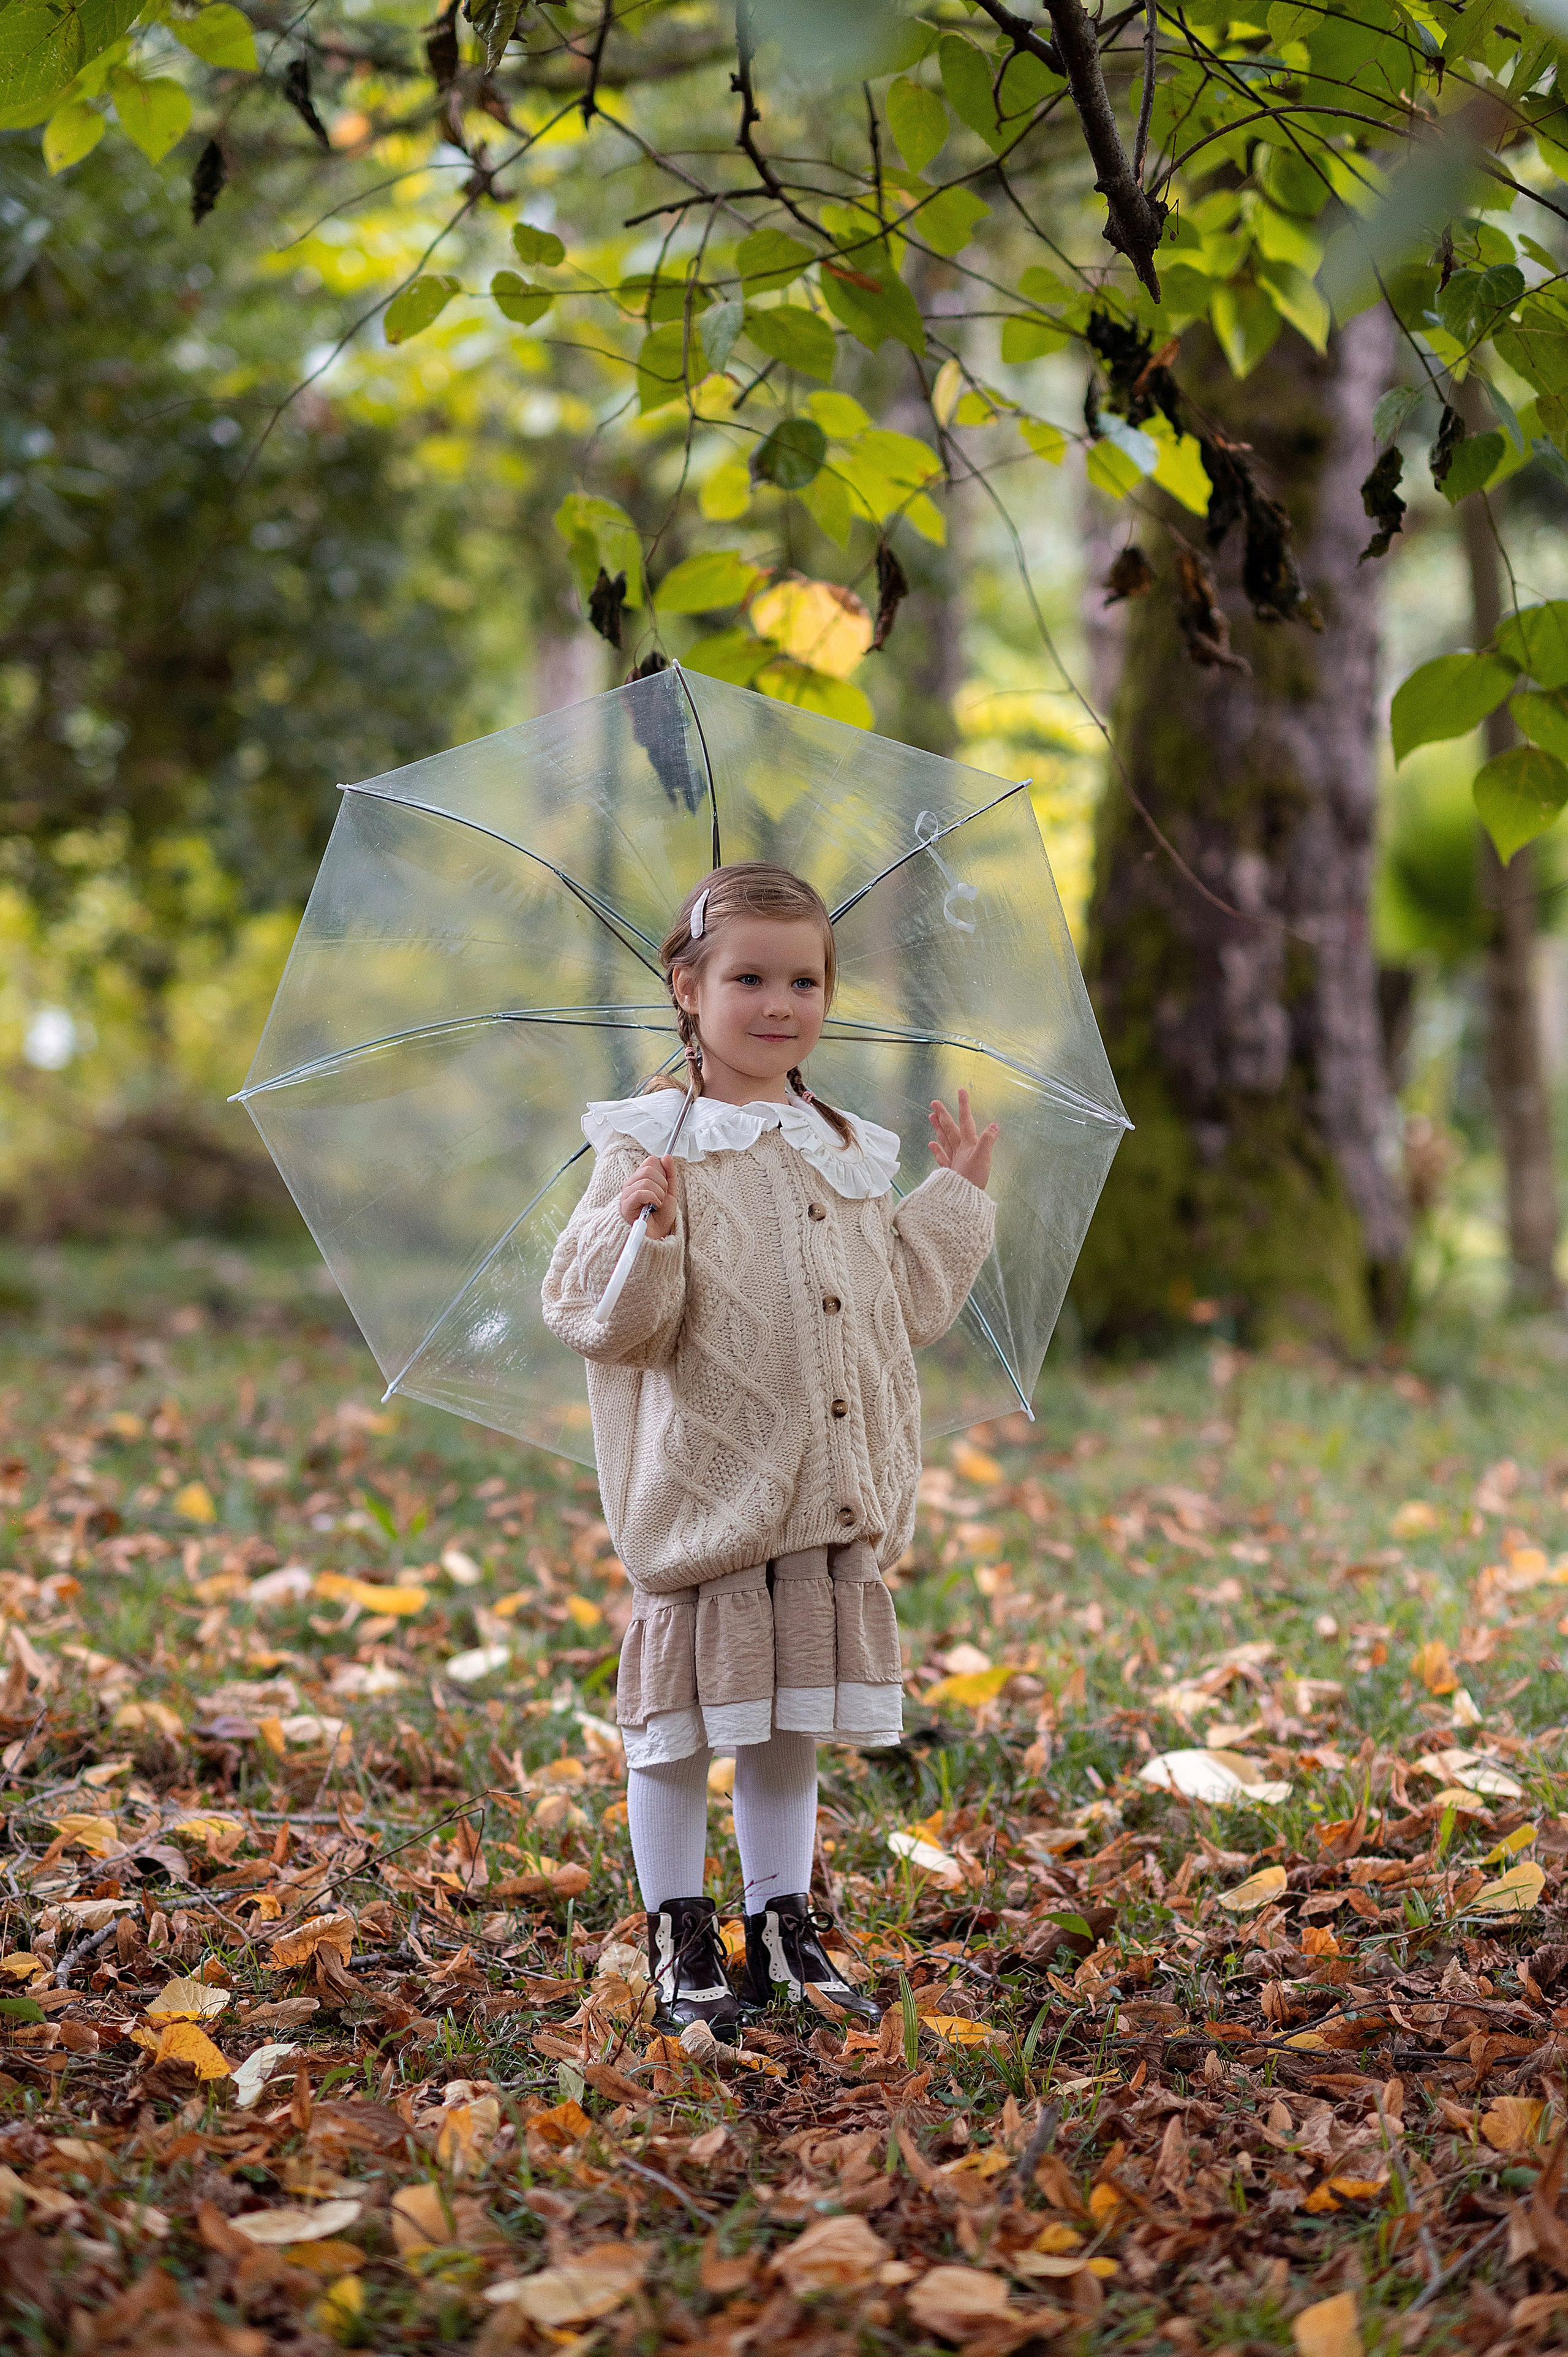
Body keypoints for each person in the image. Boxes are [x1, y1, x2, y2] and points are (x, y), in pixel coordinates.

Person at [541, 862, 998, 2036]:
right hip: (710, 1494)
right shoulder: (651, 1140)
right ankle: (679, 1932)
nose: (779, 1002)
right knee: (687, 1730)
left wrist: (949, 1197)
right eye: (748, 977)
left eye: (805, 978)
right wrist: (650, 1228)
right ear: (686, 987)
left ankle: (784, 1923)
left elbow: (896, 1302)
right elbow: (601, 1317)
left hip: (823, 1498)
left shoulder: (840, 1142)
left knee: (787, 1720)